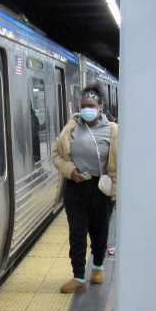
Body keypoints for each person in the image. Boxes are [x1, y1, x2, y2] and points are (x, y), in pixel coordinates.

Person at [52, 85, 117, 293]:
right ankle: (79, 276)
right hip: (76, 186)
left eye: (91, 105)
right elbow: (56, 155)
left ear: (100, 107)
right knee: (77, 232)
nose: (87, 109)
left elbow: (121, 160)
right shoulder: (71, 128)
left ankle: (98, 267)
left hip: (101, 187)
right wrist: (71, 171)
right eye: (83, 106)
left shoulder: (113, 131)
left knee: (100, 230)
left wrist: (117, 190)